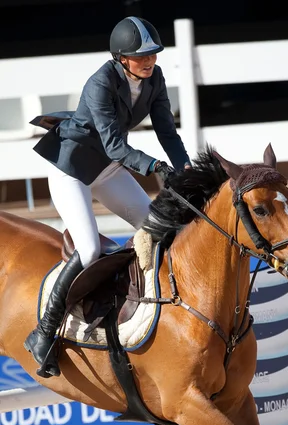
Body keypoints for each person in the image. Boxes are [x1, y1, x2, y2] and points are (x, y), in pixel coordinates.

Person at [24, 16, 191, 379]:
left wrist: (186, 171)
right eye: (141, 55)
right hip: (72, 169)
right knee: (88, 250)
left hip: (107, 168)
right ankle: (44, 332)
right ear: (121, 57)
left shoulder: (155, 79)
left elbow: (168, 132)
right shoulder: (100, 83)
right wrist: (154, 167)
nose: (149, 61)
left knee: (159, 229)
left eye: (153, 54)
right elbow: (116, 145)